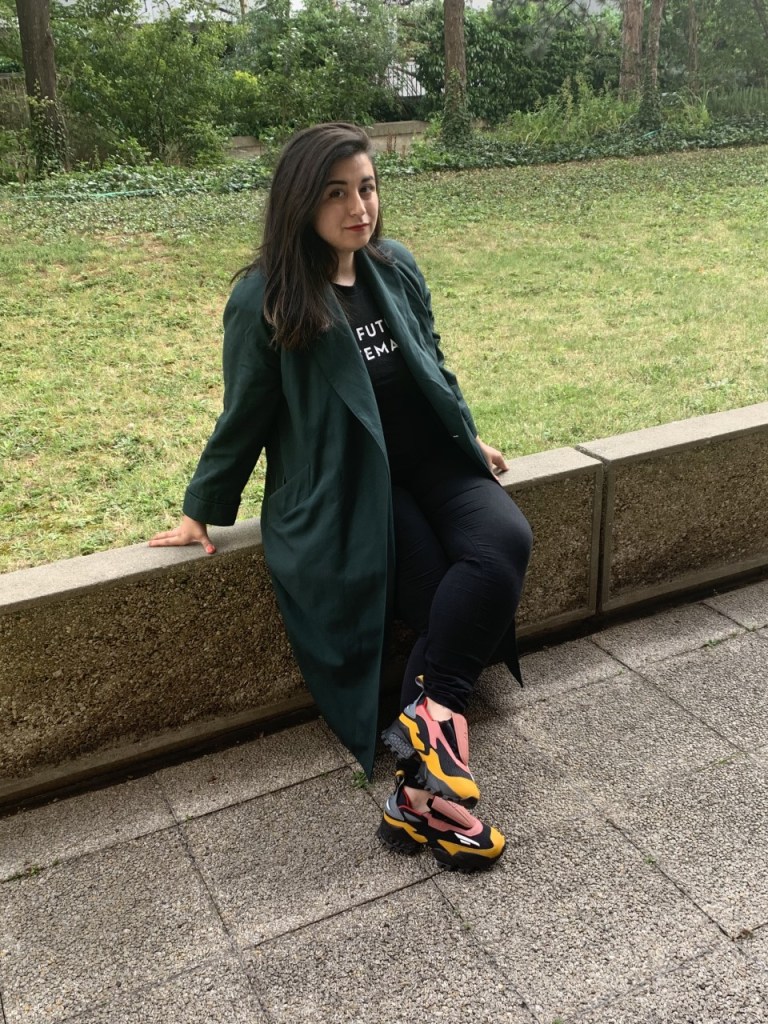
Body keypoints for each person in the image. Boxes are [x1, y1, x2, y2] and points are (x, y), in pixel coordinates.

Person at [150, 122, 532, 872]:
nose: (359, 208)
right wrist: (201, 507)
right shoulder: (267, 296)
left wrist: (470, 434)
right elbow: (244, 415)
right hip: (354, 480)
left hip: (431, 459)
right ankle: (427, 798)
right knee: (438, 599)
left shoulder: (396, 267)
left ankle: (423, 746)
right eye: (336, 193)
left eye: (367, 188)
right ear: (301, 201)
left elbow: (433, 364)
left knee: (504, 543)